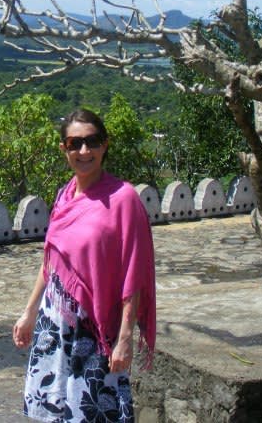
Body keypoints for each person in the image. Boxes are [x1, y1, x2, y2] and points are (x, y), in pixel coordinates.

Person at [13, 108, 156, 422]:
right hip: (55, 323)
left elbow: (134, 274)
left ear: (105, 145)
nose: (84, 151)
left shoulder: (124, 199)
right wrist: (29, 312)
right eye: (74, 143)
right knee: (53, 409)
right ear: (64, 148)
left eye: (92, 142)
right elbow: (52, 261)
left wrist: (125, 338)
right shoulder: (65, 194)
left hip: (94, 329)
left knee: (94, 411)